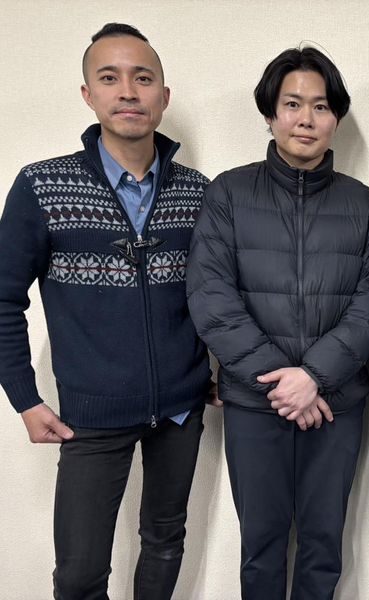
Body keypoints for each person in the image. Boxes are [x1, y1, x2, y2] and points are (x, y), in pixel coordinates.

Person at [0, 23, 212, 600]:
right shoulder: (43, 185)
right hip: (90, 415)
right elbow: (3, 298)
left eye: (143, 79)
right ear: (88, 94)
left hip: (180, 409)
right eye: (110, 78)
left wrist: (220, 368)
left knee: (165, 542)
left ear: (163, 96)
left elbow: (219, 292)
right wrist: (24, 398)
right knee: (79, 573)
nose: (128, 92)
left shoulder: (198, 192)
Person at [186, 46, 369, 600]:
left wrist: (315, 376)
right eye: (292, 104)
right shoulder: (228, 193)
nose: (306, 119)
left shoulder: (365, 203)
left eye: (320, 106)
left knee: (323, 544)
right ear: (270, 113)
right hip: (256, 403)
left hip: (335, 402)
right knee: (262, 545)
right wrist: (282, 380)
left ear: (335, 118)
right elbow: (211, 296)